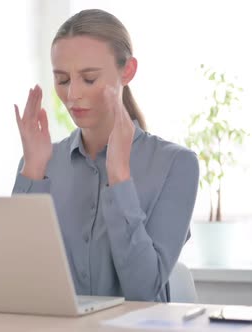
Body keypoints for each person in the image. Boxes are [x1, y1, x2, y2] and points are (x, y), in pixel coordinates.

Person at [12, 9, 199, 302]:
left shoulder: (177, 165)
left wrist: (120, 179)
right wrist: (33, 172)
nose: (73, 94)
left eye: (88, 78)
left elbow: (143, 290)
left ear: (128, 71)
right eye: (62, 80)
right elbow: (16, 278)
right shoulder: (41, 160)